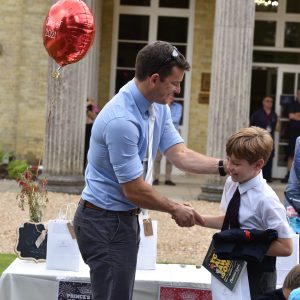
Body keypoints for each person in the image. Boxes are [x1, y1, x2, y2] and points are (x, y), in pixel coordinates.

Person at [73, 41, 227, 300]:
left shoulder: (157, 107)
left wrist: (226, 167)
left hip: (120, 219)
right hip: (103, 221)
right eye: (175, 83)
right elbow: (133, 189)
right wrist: (174, 208)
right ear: (155, 79)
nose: (178, 90)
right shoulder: (122, 120)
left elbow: (180, 155)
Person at [197, 126, 293, 299]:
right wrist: (199, 219)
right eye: (228, 160)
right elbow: (230, 221)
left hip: (256, 276)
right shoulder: (232, 182)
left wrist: (241, 246)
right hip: (228, 268)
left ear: (258, 164)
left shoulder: (267, 200)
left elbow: (286, 247)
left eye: (236, 163)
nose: (229, 167)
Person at [153, 95, 182, 186]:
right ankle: (156, 178)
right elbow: (156, 119)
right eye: (169, 95)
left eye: (172, 96)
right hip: (159, 135)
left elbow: (176, 119)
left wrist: (167, 111)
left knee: (170, 159)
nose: (171, 97)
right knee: (157, 158)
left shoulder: (178, 107)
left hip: (172, 136)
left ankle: (168, 179)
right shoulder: (159, 106)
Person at [250, 96, 277, 182]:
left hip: (270, 139)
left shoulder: (274, 115)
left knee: (269, 156)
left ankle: (268, 177)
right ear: (263, 102)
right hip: (259, 139)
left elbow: (275, 127)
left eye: (271, 102)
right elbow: (251, 125)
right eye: (267, 101)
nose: (269, 103)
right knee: (259, 157)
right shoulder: (257, 114)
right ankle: (258, 176)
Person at [282, 89, 300, 183]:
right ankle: (289, 174)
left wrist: (296, 115)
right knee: (291, 154)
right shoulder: (292, 104)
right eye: (299, 94)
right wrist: (295, 115)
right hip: (293, 133)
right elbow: (291, 116)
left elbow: (294, 116)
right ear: (297, 94)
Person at [84, 98, 100, 171]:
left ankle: (85, 165)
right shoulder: (85, 106)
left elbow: (95, 116)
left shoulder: (92, 107)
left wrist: (92, 106)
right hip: (84, 127)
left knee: (87, 147)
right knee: (85, 147)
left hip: (89, 126)